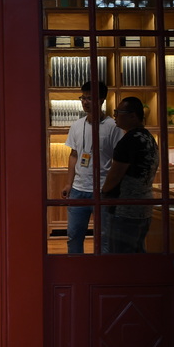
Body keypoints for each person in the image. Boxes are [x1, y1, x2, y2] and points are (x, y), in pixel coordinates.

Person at [61, 81, 124, 254]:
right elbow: (74, 155)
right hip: (78, 190)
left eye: (89, 98)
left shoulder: (113, 127)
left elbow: (118, 160)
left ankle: (102, 268)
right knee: (74, 235)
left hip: (103, 189)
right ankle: (76, 266)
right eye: (83, 98)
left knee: (104, 237)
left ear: (101, 100)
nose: (85, 102)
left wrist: (111, 188)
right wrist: (68, 183)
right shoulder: (77, 125)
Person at [100, 96, 159, 253]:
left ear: (132, 116)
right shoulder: (149, 137)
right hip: (144, 206)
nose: (115, 116)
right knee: (137, 253)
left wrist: (104, 192)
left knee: (121, 257)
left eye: (118, 112)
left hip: (125, 209)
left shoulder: (129, 140)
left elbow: (115, 175)